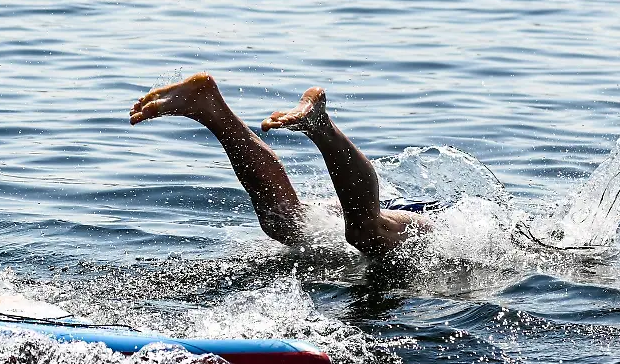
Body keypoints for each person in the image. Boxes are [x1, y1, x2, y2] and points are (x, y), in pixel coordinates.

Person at [130, 73, 433, 258]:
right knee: (367, 232)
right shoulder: (474, 233)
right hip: (434, 219)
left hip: (406, 211)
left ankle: (210, 108)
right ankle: (320, 127)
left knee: (283, 221)